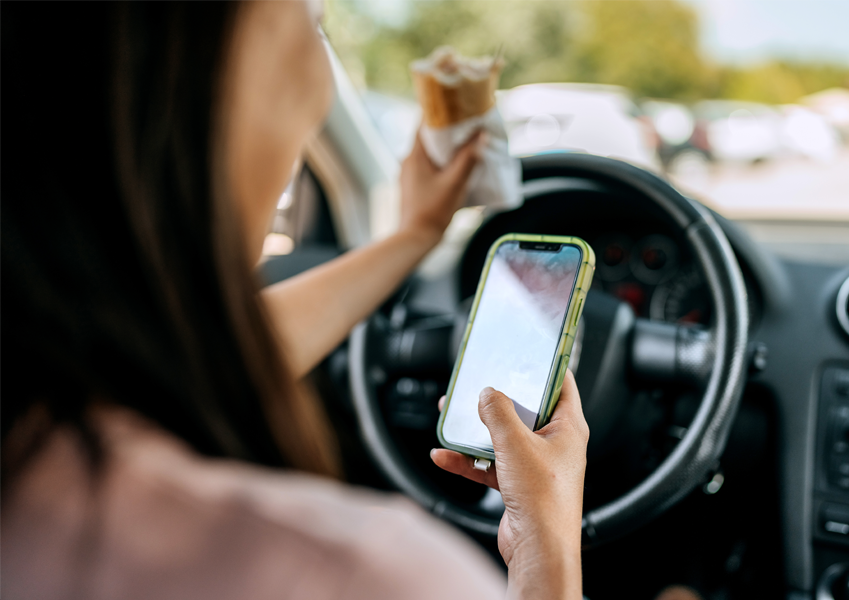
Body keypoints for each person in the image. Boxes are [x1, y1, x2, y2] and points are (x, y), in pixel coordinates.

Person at [0, 0, 591, 599]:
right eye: (315, 24)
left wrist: (415, 234)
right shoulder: (357, 573)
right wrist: (548, 549)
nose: (319, 86)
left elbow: (208, 353)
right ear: (191, 80)